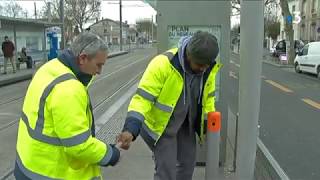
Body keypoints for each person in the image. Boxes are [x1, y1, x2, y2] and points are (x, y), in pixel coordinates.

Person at [14, 32, 121, 180]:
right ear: (83, 58)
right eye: (98, 65)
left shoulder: (49, 68)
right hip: (51, 173)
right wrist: (110, 154)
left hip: (28, 165)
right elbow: (79, 146)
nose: (99, 71)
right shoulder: (69, 89)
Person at [117, 31, 221, 180]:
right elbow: (142, 99)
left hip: (187, 125)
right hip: (162, 127)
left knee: (187, 167)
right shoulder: (163, 64)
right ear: (189, 55)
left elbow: (208, 99)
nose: (203, 69)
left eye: (207, 65)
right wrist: (130, 129)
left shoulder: (207, 69)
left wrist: (206, 124)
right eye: (199, 65)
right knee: (167, 171)